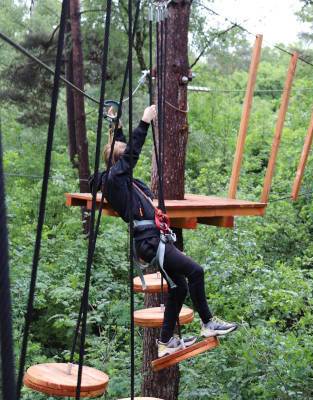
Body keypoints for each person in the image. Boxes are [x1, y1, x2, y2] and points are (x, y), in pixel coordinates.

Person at [89, 105, 237, 358]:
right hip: (149, 241)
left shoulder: (121, 181)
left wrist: (118, 126)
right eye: (126, 160)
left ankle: (166, 342)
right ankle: (207, 323)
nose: (132, 164)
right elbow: (129, 154)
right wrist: (144, 122)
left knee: (179, 287)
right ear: (119, 163)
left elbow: (121, 149)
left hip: (153, 240)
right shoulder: (115, 180)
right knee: (196, 271)